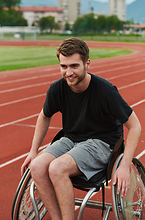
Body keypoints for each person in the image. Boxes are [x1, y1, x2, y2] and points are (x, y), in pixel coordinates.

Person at [21, 37, 141, 220]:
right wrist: (33, 150)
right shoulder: (57, 89)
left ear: (87, 64)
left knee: (56, 168)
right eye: (64, 66)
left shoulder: (105, 91)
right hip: (72, 139)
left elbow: (135, 126)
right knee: (36, 166)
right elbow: (44, 116)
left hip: (102, 143)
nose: (68, 72)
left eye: (74, 66)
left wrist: (125, 164)